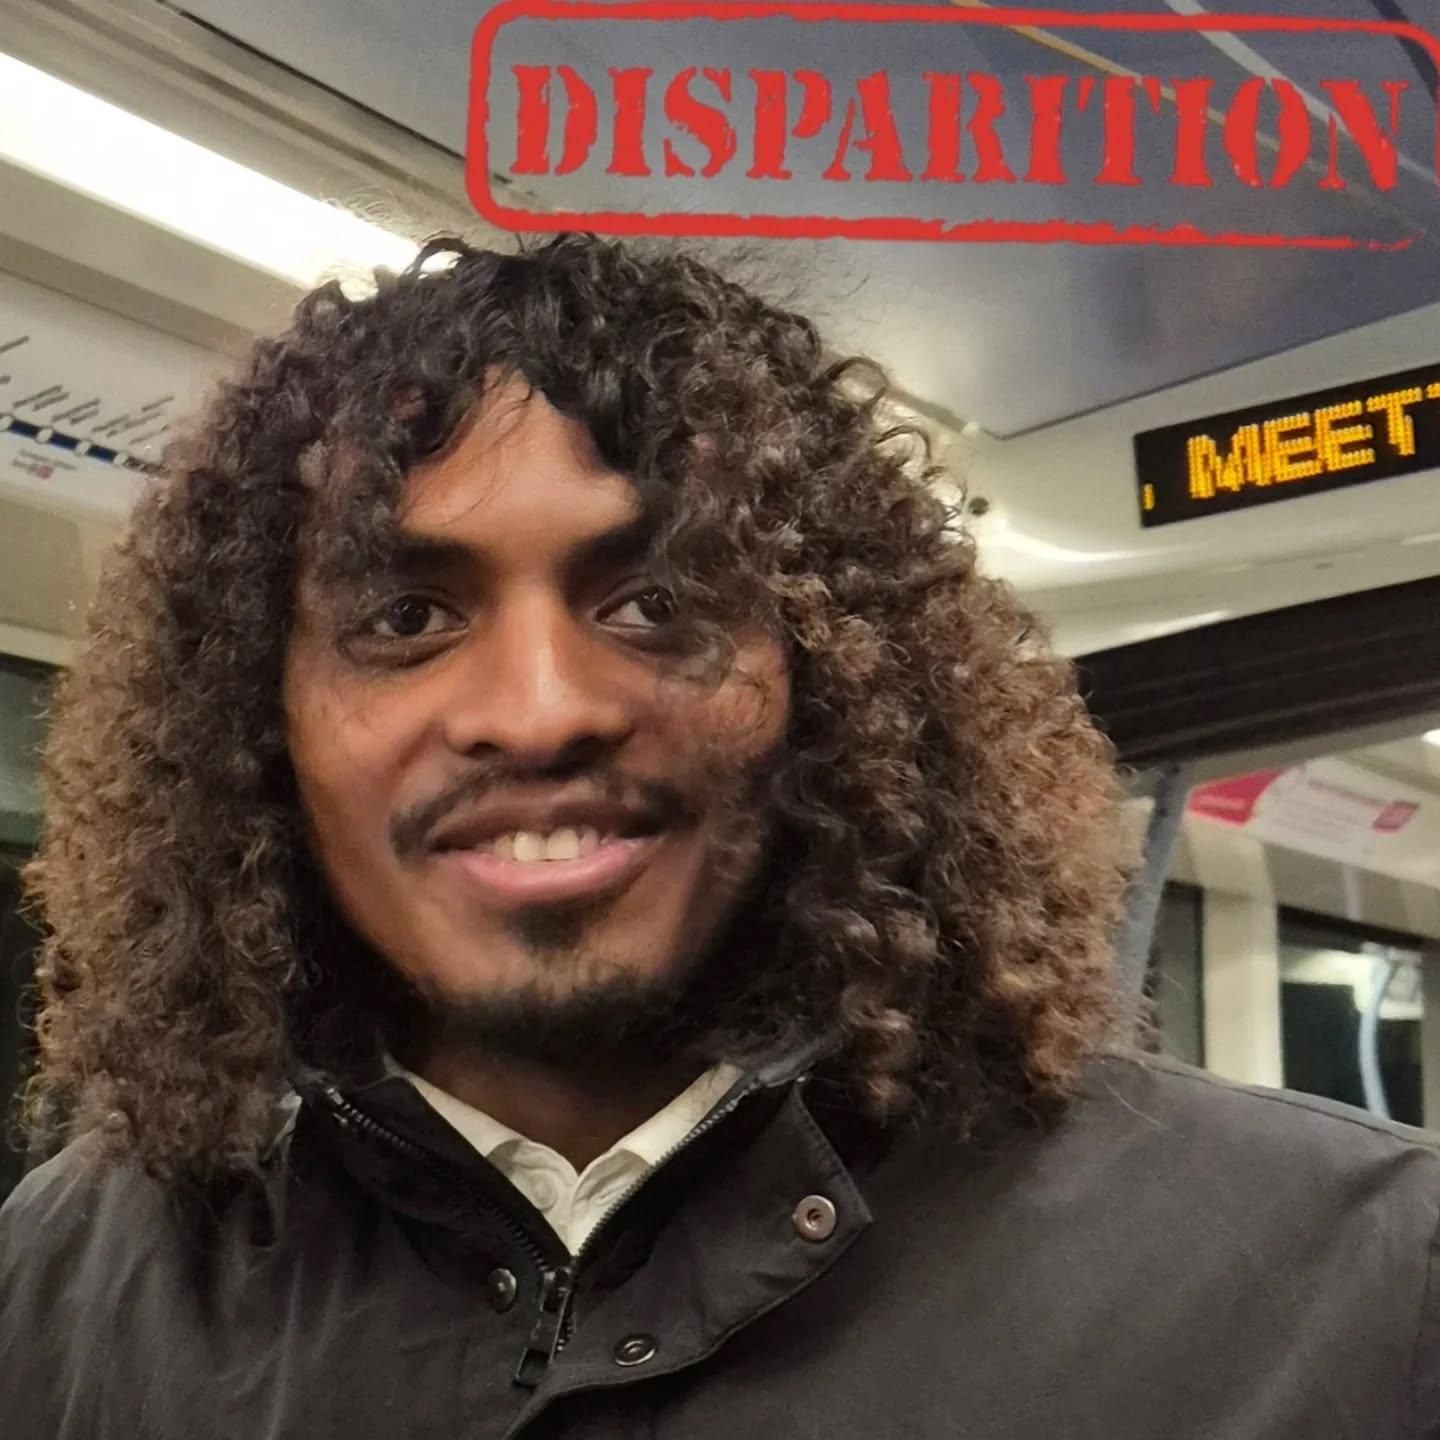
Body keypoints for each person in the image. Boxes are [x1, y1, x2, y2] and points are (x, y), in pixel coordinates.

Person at [1, 233, 1436, 1439]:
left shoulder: (1347, 1290)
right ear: (263, 727)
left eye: (656, 602)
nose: (542, 711)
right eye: (406, 618)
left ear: (828, 680)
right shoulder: (65, 1294)